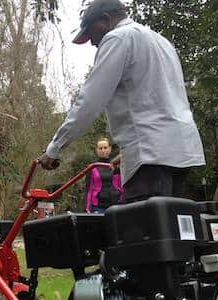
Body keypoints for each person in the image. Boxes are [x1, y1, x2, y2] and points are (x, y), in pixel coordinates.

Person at [38, 0, 205, 203]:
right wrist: (126, 155)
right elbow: (159, 102)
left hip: (150, 156)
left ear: (105, 20)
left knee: (140, 230)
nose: (92, 42)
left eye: (91, 33)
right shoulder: (160, 42)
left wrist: (55, 148)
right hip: (180, 151)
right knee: (167, 225)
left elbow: (90, 102)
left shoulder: (118, 38)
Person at [85, 137, 123, 213]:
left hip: (117, 203)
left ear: (110, 148)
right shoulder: (92, 167)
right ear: (97, 150)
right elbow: (88, 190)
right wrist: (87, 208)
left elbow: (121, 185)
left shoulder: (117, 165)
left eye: (105, 148)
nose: (103, 150)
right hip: (99, 206)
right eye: (100, 148)